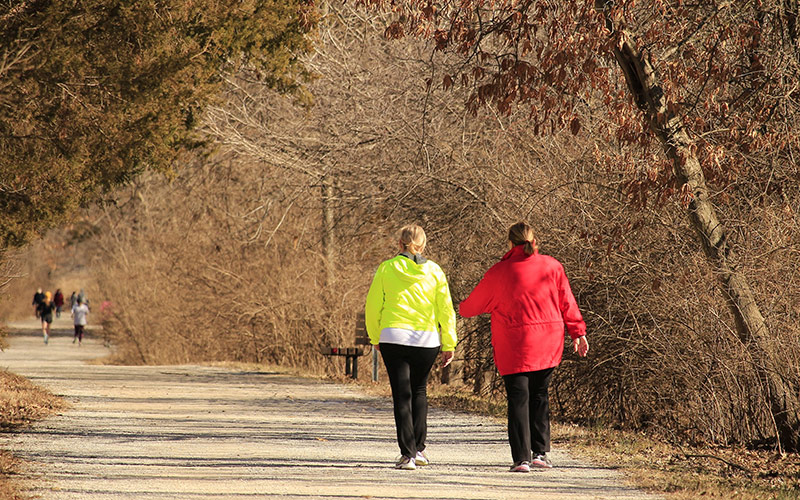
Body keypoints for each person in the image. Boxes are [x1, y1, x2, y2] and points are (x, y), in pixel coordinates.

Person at [459, 222, 589, 472]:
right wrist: (578, 332)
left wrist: (462, 307)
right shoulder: (552, 267)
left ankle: (521, 459)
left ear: (510, 243)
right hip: (547, 342)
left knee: (518, 399)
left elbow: (471, 307)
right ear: (535, 241)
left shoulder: (499, 272)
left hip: (514, 344)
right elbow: (567, 302)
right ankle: (540, 453)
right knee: (540, 395)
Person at [365, 224, 457, 470]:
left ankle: (407, 455)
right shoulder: (435, 271)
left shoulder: (386, 268)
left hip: (393, 336)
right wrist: (449, 342)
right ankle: (420, 449)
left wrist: (375, 336)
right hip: (426, 340)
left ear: (399, 244)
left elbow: (373, 306)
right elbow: (445, 309)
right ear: (423, 245)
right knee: (418, 391)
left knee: (401, 395)